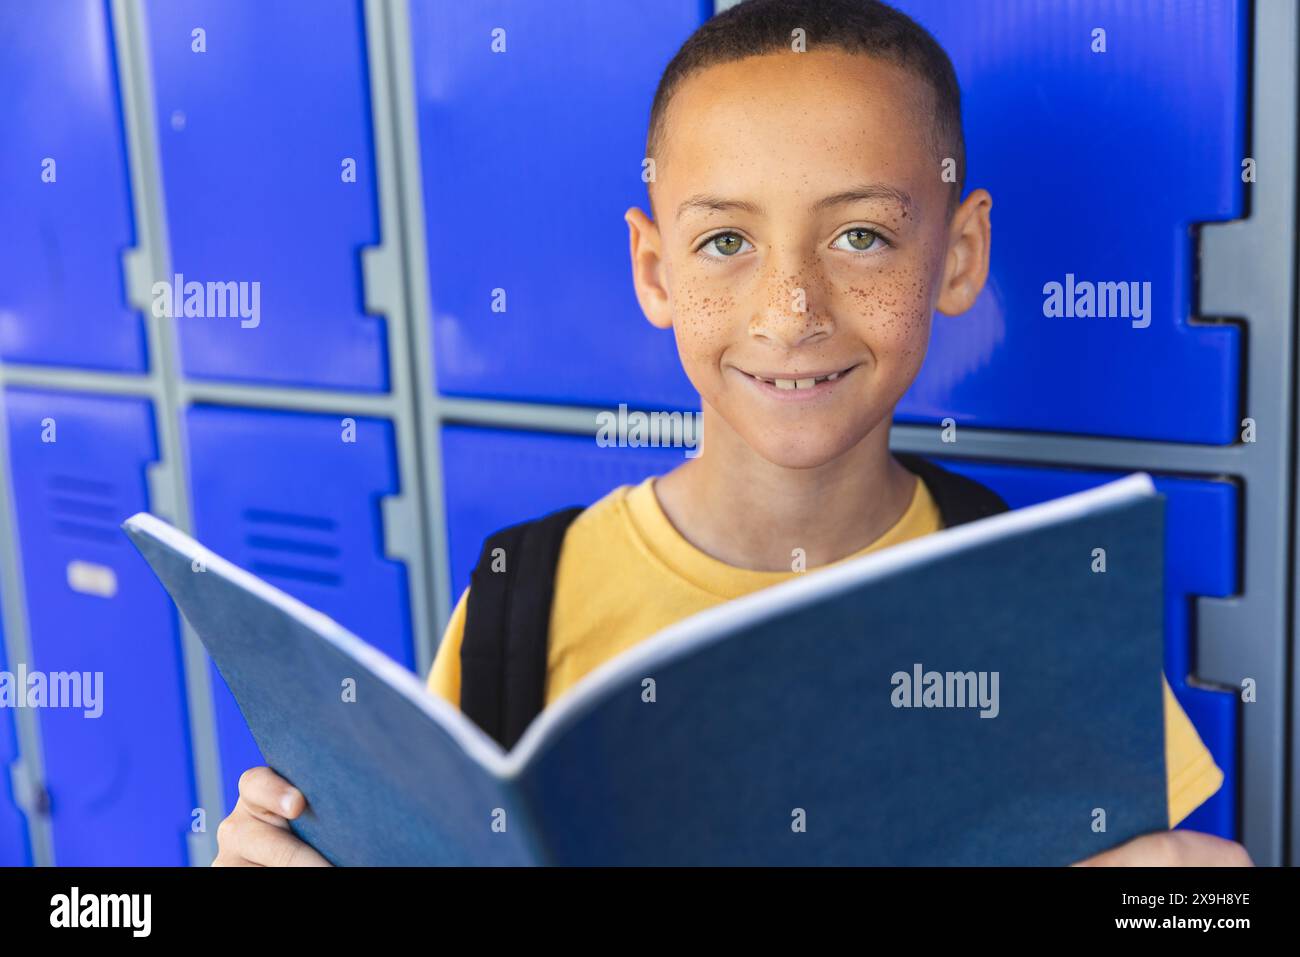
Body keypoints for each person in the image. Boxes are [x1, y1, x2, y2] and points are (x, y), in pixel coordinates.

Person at [214, 0, 1250, 867]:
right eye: (724, 242)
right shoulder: (517, 600)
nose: (791, 309)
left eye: (860, 236)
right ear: (655, 270)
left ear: (960, 254)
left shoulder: (1038, 601)